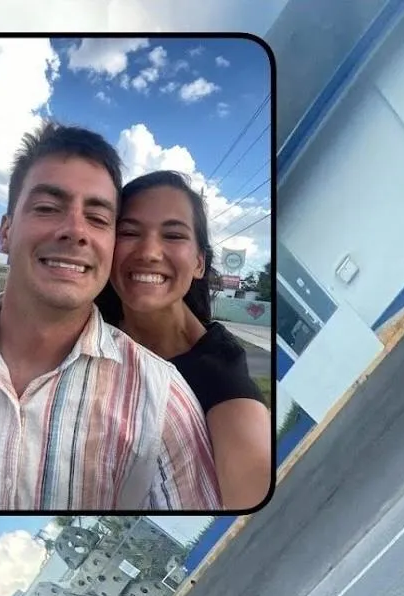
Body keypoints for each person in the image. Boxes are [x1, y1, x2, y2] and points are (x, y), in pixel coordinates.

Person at [0, 122, 220, 512]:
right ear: (6, 231)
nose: (75, 231)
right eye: (47, 208)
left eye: (97, 219)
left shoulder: (161, 401)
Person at [95, 171, 273, 511]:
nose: (148, 251)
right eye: (129, 232)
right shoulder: (88, 331)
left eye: (173, 235)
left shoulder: (222, 384)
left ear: (199, 263)